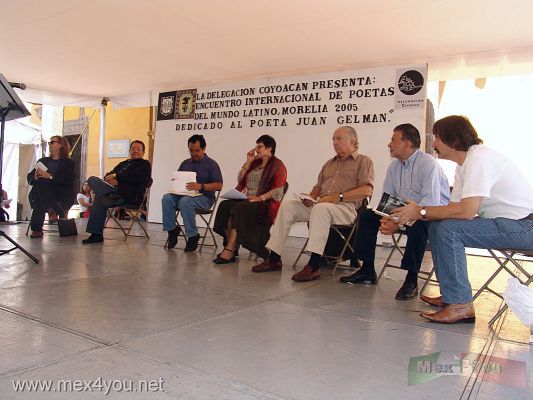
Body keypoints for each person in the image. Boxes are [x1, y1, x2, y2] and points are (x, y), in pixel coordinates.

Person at [393, 115, 533, 323]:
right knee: (438, 225)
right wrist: (420, 212)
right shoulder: (464, 164)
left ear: (454, 140)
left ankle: (460, 304)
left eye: (438, 138)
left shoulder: (479, 160)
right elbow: (452, 209)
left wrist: (420, 211)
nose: (435, 143)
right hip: (509, 224)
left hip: (524, 227)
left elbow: (466, 212)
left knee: (449, 229)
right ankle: (452, 295)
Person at [339, 124, 450, 300]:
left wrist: (397, 222)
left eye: (393, 140)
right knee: (367, 215)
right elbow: (387, 202)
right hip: (403, 213)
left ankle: (411, 280)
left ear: (407, 143)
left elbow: (430, 205)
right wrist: (389, 219)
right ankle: (367, 269)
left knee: (419, 224)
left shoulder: (428, 164)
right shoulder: (394, 167)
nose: (389, 144)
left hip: (430, 215)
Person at [252, 126, 374, 281]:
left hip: (346, 208)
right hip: (321, 206)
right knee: (289, 205)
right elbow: (318, 187)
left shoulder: (363, 161)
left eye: (339, 139)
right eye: (333, 139)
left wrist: (338, 197)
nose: (335, 143)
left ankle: (314, 265)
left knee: (321, 209)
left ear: (353, 140)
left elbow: (367, 190)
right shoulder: (329, 164)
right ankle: (274, 258)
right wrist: (310, 198)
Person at [212, 135, 287, 264]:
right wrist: (248, 161)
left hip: (263, 202)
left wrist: (260, 198)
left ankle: (229, 248)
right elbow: (241, 180)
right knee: (225, 205)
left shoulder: (278, 165)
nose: (256, 149)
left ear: (269, 148)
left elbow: (278, 190)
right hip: (247, 199)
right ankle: (234, 246)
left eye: (260, 146)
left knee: (240, 208)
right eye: (256, 146)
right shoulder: (255, 162)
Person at [82, 140, 152, 244]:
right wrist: (111, 179)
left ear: (143, 152)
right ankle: (97, 235)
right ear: (129, 151)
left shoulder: (145, 165)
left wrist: (117, 178)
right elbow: (108, 175)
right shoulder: (124, 163)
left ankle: (96, 234)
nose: (135, 151)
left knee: (99, 196)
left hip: (130, 196)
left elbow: (134, 177)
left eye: (139, 149)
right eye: (133, 149)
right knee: (93, 181)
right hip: (115, 193)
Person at [162, 134, 223, 252]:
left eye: (197, 151)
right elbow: (178, 178)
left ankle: (192, 236)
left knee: (185, 202)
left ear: (204, 149)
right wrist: (176, 182)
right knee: (166, 198)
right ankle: (172, 230)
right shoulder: (185, 163)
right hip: (184, 195)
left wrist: (201, 186)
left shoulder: (212, 164)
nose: (194, 153)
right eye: (191, 151)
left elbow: (219, 185)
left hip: (205, 198)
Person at [27, 135, 76, 238]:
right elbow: (29, 177)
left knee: (41, 191)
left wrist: (49, 176)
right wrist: (35, 176)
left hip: (60, 193)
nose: (50, 144)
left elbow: (67, 180)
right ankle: (52, 210)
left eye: (53, 142)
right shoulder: (43, 161)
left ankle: (37, 228)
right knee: (41, 185)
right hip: (43, 192)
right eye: (49, 142)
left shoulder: (68, 163)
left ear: (61, 145)